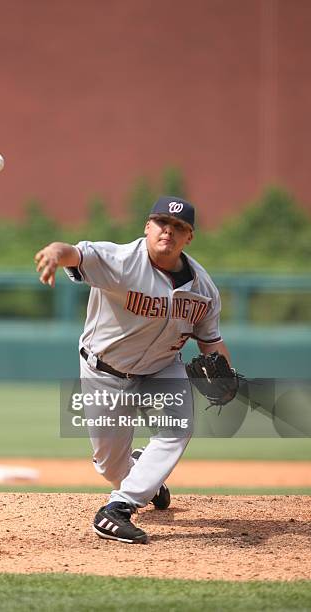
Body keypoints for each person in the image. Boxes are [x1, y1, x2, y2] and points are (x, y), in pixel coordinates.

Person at [34, 196, 231, 544]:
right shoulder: (121, 260)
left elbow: (210, 341)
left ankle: (117, 509)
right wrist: (53, 252)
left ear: (190, 237)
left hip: (162, 369)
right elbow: (74, 253)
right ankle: (142, 475)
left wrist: (225, 374)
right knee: (110, 467)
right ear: (147, 226)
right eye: (161, 223)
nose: (168, 231)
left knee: (178, 427)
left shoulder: (203, 289)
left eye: (179, 227)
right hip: (104, 371)